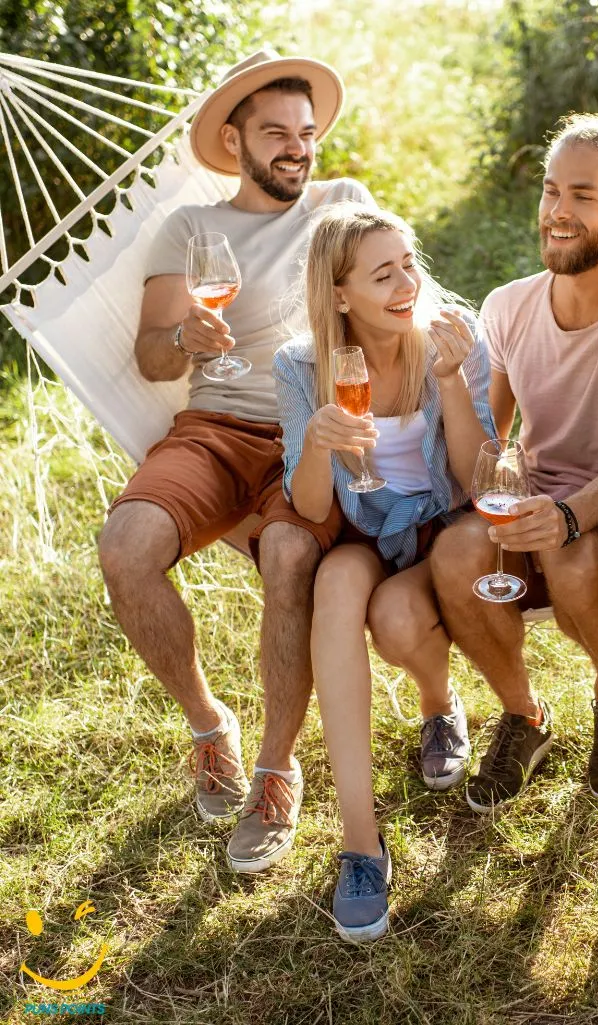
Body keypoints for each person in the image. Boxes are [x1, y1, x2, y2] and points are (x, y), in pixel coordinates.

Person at [97, 50, 375, 874]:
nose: (297, 148)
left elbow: (394, 294)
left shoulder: (343, 205)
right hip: (215, 427)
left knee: (291, 555)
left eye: (307, 133)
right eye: (276, 134)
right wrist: (183, 336)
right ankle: (209, 724)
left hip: (311, 428)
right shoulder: (193, 230)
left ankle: (274, 769)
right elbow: (151, 359)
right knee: (125, 548)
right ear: (235, 140)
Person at [273, 202, 495, 942]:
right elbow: (308, 505)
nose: (406, 284)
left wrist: (454, 379)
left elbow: (474, 480)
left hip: (443, 523)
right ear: (340, 295)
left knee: (397, 619)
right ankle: (361, 844)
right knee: (336, 584)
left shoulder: (452, 336)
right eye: (382, 274)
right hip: (366, 525)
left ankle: (438, 703)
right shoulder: (301, 365)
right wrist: (315, 442)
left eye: (409, 263)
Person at [430, 114, 598, 810]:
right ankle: (524, 715)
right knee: (453, 555)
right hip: (534, 500)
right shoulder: (508, 305)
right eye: (551, 191)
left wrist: (562, 517)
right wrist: (446, 382)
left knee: (573, 558)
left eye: (582, 196)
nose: (557, 212)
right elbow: (486, 457)